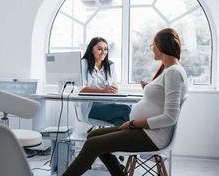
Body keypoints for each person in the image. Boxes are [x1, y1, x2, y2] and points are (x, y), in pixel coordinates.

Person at [63, 28, 188, 176]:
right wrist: (148, 88)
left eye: (153, 45)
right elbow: (160, 98)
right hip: (146, 131)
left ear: (162, 46)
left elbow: (170, 117)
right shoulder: (170, 71)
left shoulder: (173, 72)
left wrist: (134, 123)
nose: (152, 48)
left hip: (152, 136)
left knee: (93, 144)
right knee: (93, 136)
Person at [79, 37, 131, 127]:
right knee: (125, 109)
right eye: (99, 49)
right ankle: (138, 138)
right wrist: (103, 91)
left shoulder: (110, 65)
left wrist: (113, 89)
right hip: (91, 107)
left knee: (120, 120)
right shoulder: (83, 64)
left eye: (106, 49)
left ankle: (116, 140)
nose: (104, 52)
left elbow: (114, 86)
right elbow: (81, 90)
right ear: (91, 50)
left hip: (108, 103)